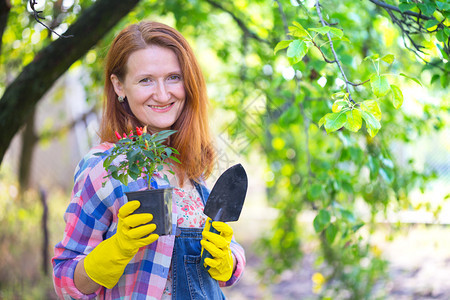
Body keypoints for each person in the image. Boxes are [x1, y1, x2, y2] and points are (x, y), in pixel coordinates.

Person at [52, 21, 246, 299]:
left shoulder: (193, 167)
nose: (163, 94)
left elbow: (231, 255)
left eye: (173, 77)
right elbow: (64, 281)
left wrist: (228, 260)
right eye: (146, 80)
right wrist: (115, 250)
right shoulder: (105, 168)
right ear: (119, 86)